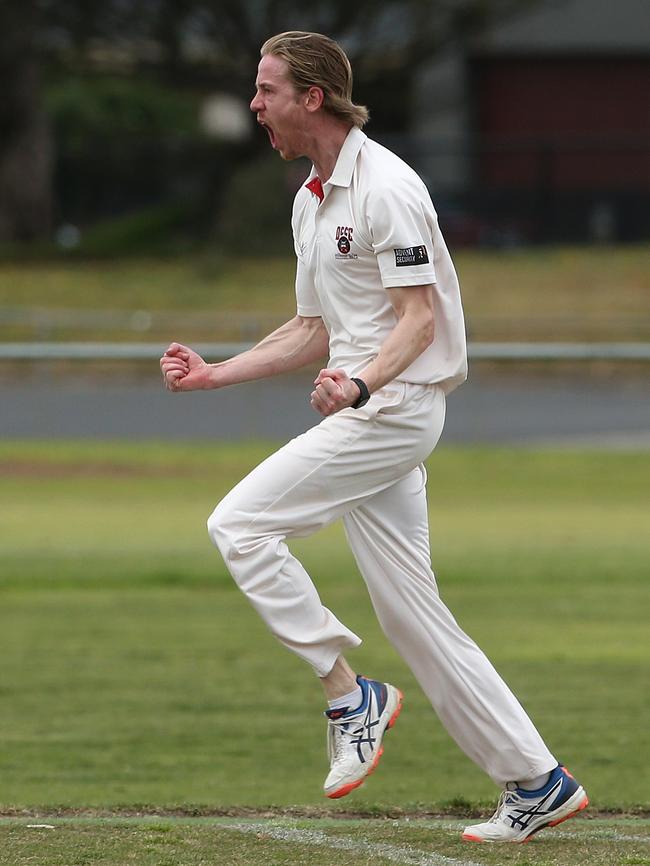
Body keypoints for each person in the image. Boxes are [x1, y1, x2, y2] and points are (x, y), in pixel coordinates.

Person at [160, 31, 588, 843]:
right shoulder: (310, 198)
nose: (255, 106)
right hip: (361, 409)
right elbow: (311, 327)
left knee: (239, 526)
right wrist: (217, 373)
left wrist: (362, 383)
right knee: (415, 619)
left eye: (267, 90)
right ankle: (537, 782)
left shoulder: (387, 187)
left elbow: (419, 320)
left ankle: (346, 691)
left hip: (393, 411)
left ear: (312, 97)